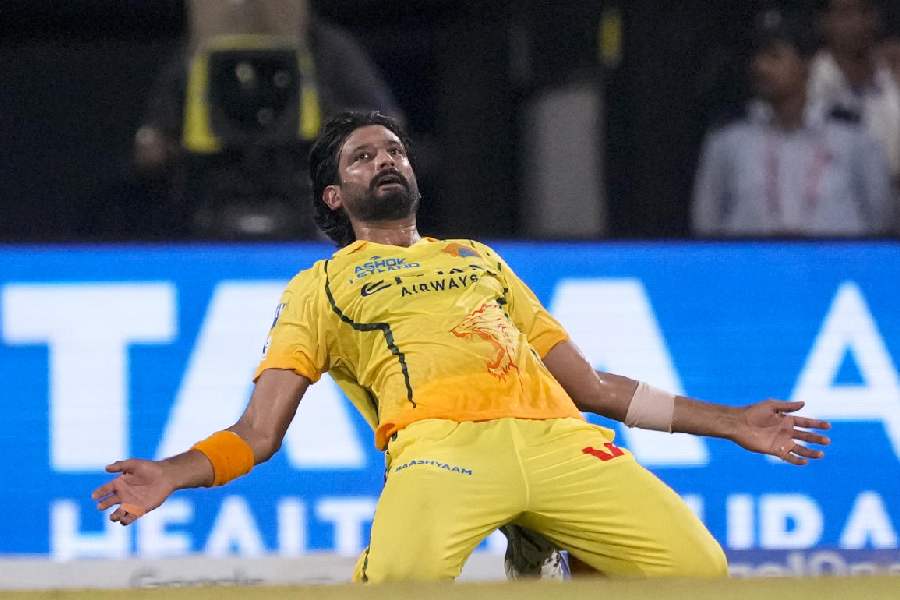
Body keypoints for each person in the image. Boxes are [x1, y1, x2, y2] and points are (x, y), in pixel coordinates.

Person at [93, 111, 831, 582]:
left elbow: (595, 389)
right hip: (442, 452)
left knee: (696, 571)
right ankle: (532, 541)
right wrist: (171, 473)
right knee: (400, 587)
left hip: (558, 442)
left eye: (395, 151)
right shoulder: (318, 288)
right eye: (362, 158)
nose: (386, 161)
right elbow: (259, 432)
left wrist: (733, 422)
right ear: (333, 197)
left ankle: (556, 549)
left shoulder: (479, 259)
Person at [132, 0, 402, 239]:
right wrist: (159, 144)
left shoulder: (330, 49)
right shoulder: (197, 56)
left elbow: (389, 125)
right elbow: (154, 136)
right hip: (217, 191)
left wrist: (333, 128)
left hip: (304, 187)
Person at [692, 10, 893, 237]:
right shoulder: (729, 139)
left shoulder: (851, 137)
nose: (760, 67)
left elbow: (880, 221)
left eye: (773, 56)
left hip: (834, 269)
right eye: (757, 57)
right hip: (754, 268)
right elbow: (706, 225)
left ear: (806, 64)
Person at [810, 0, 900, 186]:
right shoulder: (807, 84)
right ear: (824, 21)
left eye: (865, 12)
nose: (857, 23)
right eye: (845, 14)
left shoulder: (893, 77)